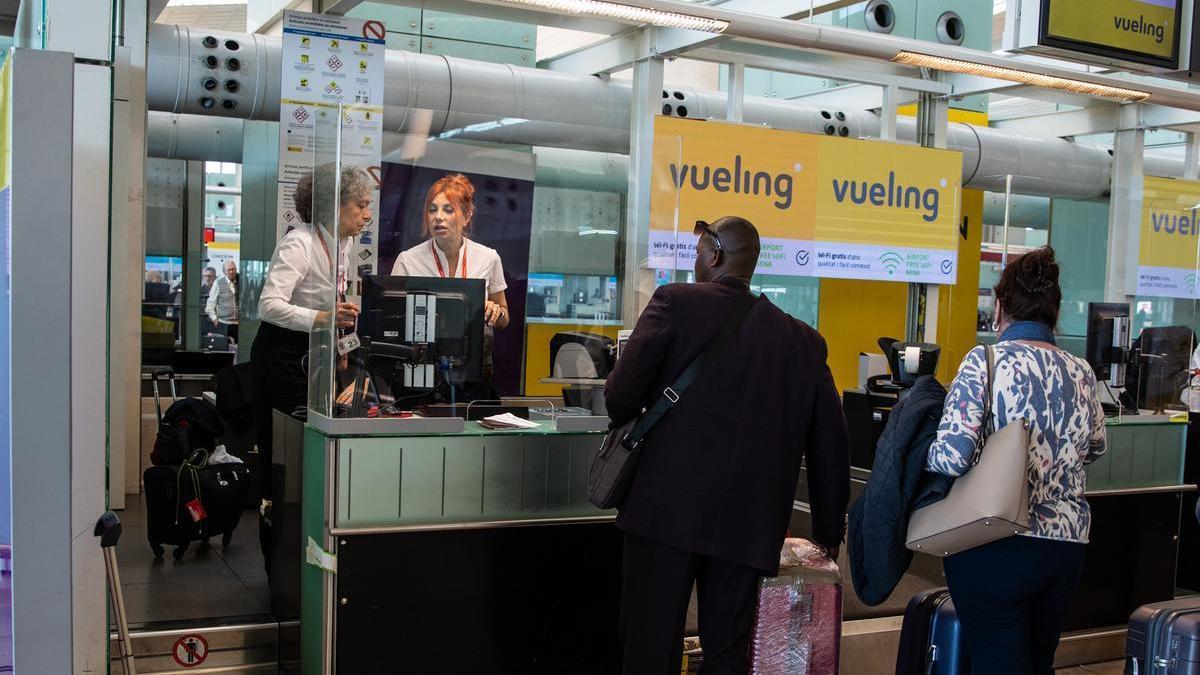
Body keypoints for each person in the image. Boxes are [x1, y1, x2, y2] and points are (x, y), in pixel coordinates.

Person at [604, 216, 850, 674]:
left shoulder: (674, 303)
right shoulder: (804, 342)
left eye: (698, 251)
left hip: (663, 514)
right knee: (729, 652)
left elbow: (619, 398)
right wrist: (829, 529)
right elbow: (830, 442)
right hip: (749, 523)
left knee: (648, 646)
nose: (696, 260)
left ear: (714, 255)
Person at [927, 246, 1106, 675]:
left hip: (995, 541)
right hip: (1065, 549)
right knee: (1037, 662)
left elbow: (951, 457)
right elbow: (1096, 447)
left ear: (1000, 306)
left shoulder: (985, 361)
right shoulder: (1081, 371)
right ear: (1054, 312)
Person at [251, 163, 372, 500]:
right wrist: (323, 318)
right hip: (281, 358)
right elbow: (269, 306)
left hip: (315, 356)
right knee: (283, 455)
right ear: (335, 204)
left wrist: (340, 345)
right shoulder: (299, 244)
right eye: (361, 205)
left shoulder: (343, 245)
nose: (367, 215)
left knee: (311, 451)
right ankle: (276, 536)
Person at [390, 173, 509, 330]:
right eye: (432, 210)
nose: (438, 217)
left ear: (466, 216)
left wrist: (495, 312)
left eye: (448, 210)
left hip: (471, 350)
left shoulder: (488, 258)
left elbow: (504, 319)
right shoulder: (407, 260)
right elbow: (390, 317)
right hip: (421, 350)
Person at [206, 259, 240, 342]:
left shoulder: (241, 281)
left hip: (239, 324)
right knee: (225, 348)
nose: (231, 272)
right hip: (223, 324)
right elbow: (210, 304)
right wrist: (214, 319)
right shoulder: (218, 283)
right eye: (229, 270)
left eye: (233, 269)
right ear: (224, 272)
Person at [199, 266, 217, 335]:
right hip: (203, 322)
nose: (207, 278)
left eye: (210, 276)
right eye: (205, 276)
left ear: (215, 277)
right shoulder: (199, 289)